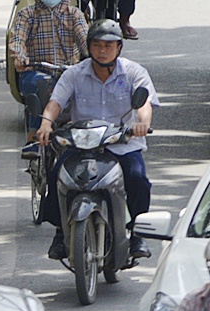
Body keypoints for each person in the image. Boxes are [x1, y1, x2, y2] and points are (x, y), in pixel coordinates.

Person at [34, 19, 158, 264]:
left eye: (109, 46)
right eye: (97, 45)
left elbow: (144, 103)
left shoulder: (133, 72)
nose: (103, 51)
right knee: (58, 175)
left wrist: (142, 123)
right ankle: (60, 231)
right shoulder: (74, 74)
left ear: (119, 48)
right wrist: (46, 123)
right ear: (89, 47)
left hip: (122, 143)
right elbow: (55, 102)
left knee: (137, 178)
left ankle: (137, 234)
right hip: (83, 144)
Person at [8, 0, 89, 134]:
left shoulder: (74, 14)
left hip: (67, 73)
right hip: (36, 72)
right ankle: (34, 135)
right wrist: (19, 56)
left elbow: (86, 41)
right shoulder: (27, 14)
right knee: (40, 85)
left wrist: (96, 52)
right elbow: (17, 40)